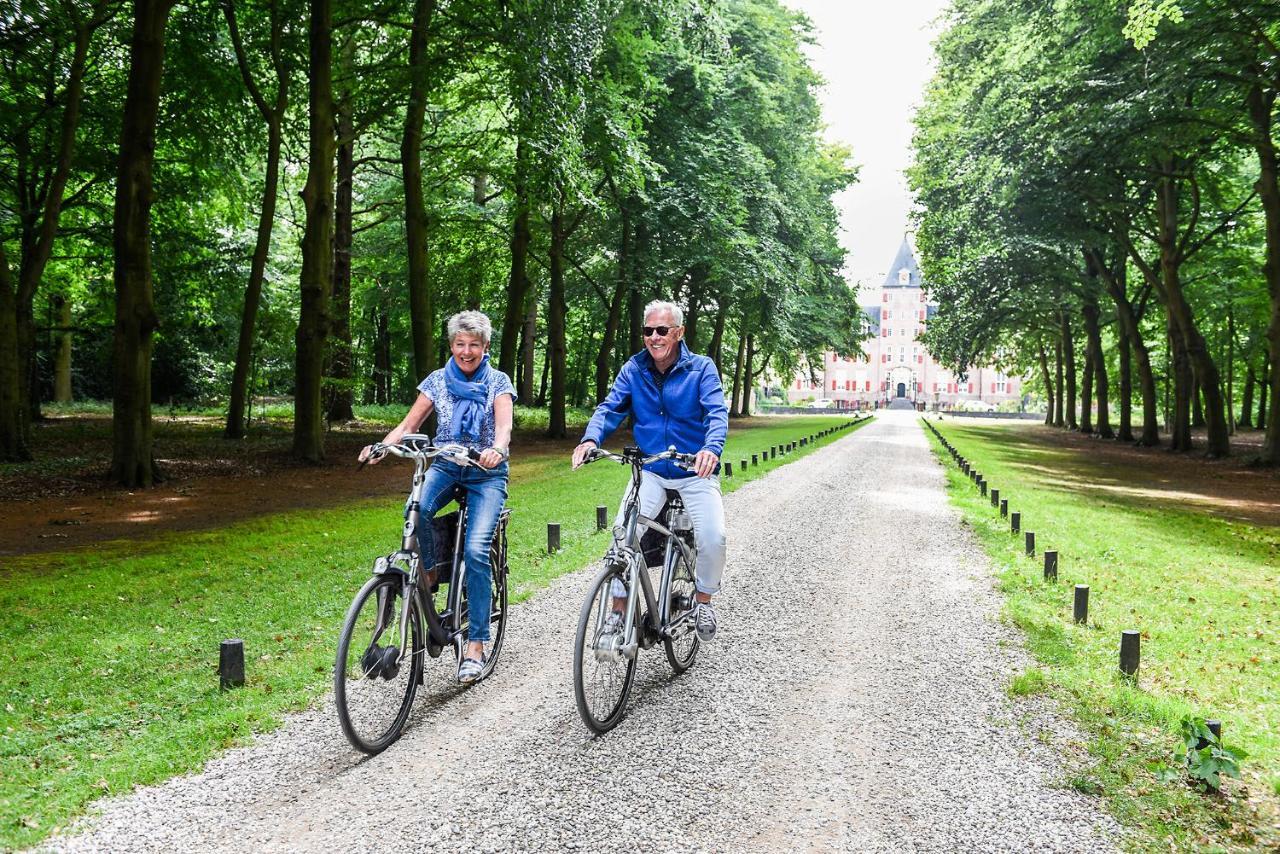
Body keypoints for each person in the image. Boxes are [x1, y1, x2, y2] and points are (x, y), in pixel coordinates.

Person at [359, 310, 514, 684]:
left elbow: (505, 429)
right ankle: (427, 575)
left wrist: (496, 448)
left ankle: (476, 644)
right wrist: (382, 446)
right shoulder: (437, 381)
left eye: (474, 345)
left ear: (485, 346)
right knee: (417, 509)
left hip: (485, 472)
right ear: (451, 345)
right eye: (460, 344)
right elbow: (409, 426)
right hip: (446, 463)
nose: (466, 351)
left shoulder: (498, 382)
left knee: (476, 550)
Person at [572, 299, 728, 642]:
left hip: (694, 471)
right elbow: (610, 407)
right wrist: (589, 439)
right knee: (621, 538)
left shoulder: (701, 368)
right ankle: (616, 614)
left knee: (713, 538)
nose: (654, 337)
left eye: (662, 330)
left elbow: (716, 414)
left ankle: (703, 600)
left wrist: (710, 450)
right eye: (648, 331)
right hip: (652, 471)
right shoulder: (633, 369)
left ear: (679, 332)